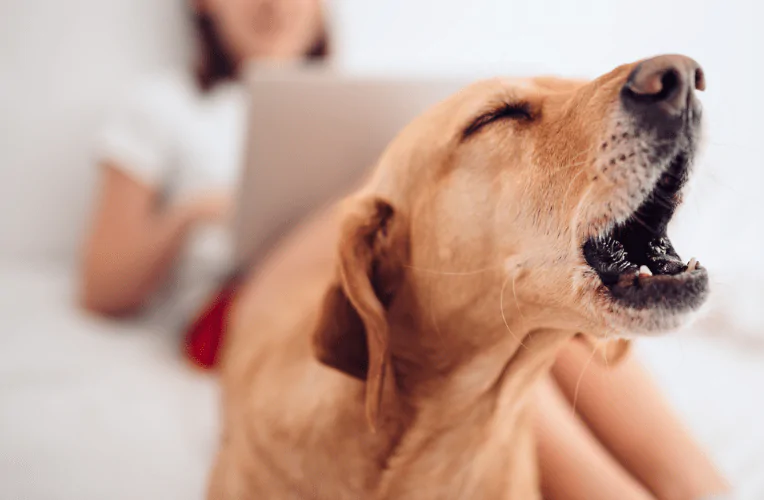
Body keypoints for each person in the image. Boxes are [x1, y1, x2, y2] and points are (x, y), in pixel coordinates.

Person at [78, 1, 729, 499]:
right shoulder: (167, 106)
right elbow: (103, 283)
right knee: (475, 315)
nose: (273, 4)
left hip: (411, 257)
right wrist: (199, 210)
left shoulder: (356, 95)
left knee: (513, 309)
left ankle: (704, 488)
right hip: (244, 290)